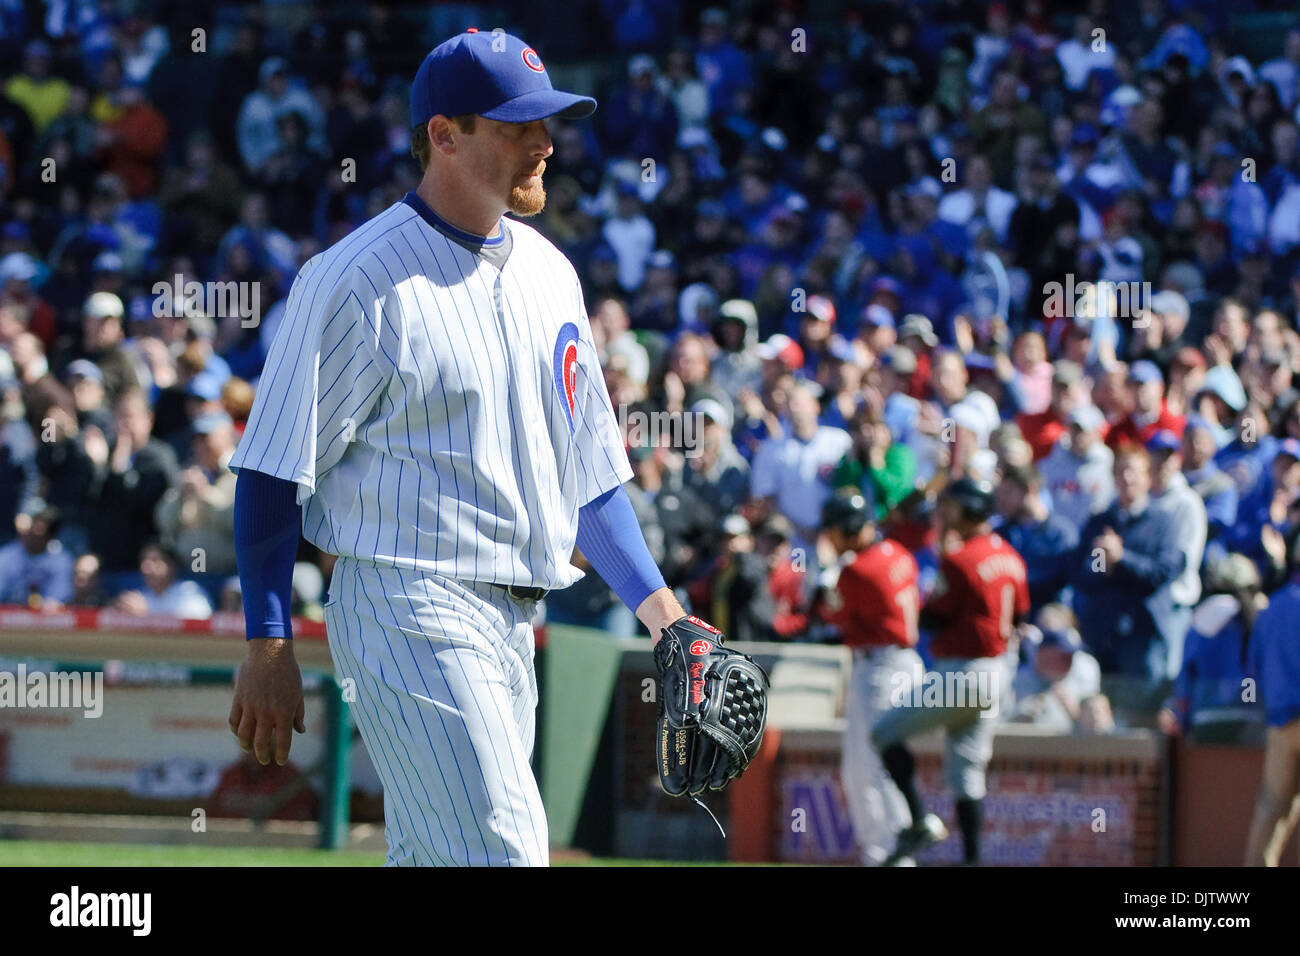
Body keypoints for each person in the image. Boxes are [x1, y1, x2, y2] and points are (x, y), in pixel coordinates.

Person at [226, 31, 717, 868]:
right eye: (517, 125)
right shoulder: (354, 278)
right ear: (443, 134)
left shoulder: (553, 274)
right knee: (503, 851)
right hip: (405, 599)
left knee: (437, 856)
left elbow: (588, 476)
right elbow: (273, 469)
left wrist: (665, 615)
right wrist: (267, 639)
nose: (545, 142)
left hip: (517, 615)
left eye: (550, 122)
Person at [871, 478, 1029, 866]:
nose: (943, 516)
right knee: (966, 772)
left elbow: (934, 618)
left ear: (968, 510)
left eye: (950, 509)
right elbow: (1022, 614)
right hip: (998, 672)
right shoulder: (1011, 555)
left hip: (963, 673)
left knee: (883, 732)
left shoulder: (961, 558)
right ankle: (973, 859)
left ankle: (919, 819)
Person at [814, 489, 922, 866]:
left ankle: (889, 855)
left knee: (867, 768)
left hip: (881, 668)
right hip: (897, 662)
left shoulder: (858, 569)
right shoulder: (899, 553)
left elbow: (829, 613)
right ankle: (890, 851)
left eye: (834, 531)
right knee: (871, 766)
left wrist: (826, 571)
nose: (829, 537)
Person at [1243, 531, 1300, 866]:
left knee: (1272, 804)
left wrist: (1264, 707)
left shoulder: (1271, 608)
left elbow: (1252, 672)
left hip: (1280, 721)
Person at [993, 463, 1079, 614]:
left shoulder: (1061, 534)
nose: (1001, 500)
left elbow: (1063, 580)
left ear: (1030, 490)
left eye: (1008, 493)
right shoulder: (999, 535)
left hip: (1046, 619)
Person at [1010, 604, 1104, 733]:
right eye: (1043, 631)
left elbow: (1098, 726)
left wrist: (1074, 711)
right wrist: (1019, 718)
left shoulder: (1086, 666)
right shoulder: (1019, 675)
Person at [0, 503, 74, 606]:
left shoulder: (62, 562)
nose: (32, 535)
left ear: (50, 537)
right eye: (31, 529)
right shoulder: (6, 556)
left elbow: (58, 600)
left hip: (45, 620)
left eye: (39, 532)